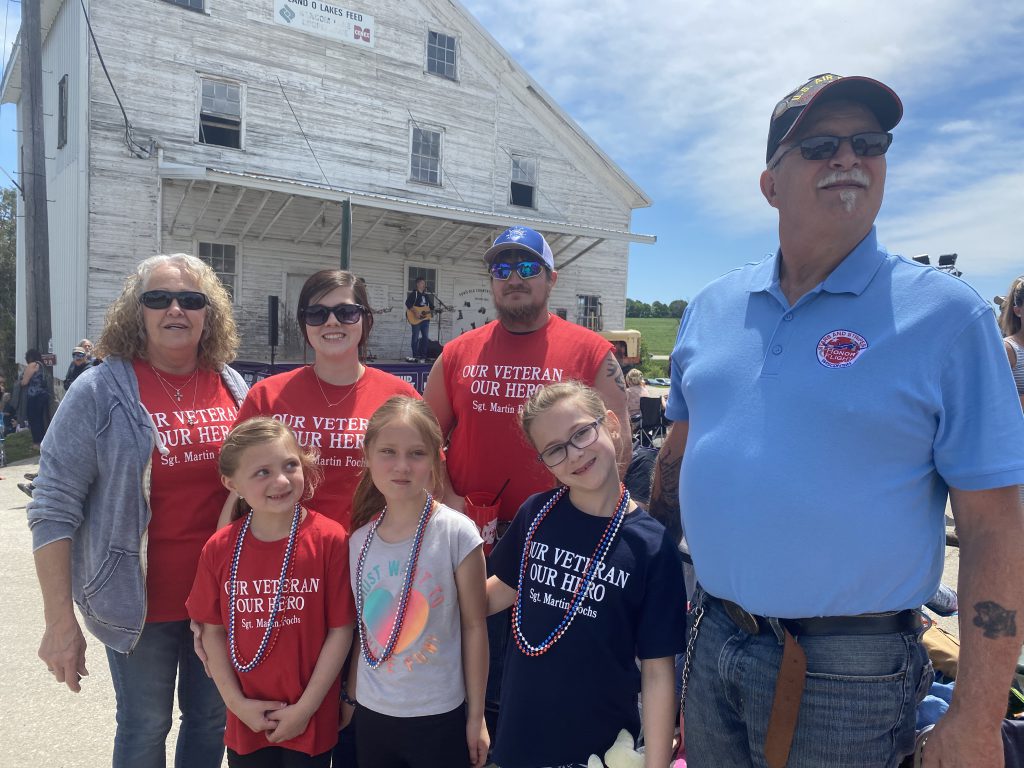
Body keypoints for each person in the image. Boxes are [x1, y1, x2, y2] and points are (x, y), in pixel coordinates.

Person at [651, 73, 1024, 767]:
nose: (848, 158)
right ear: (770, 185)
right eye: (821, 145)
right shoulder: (710, 308)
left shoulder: (947, 317)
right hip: (714, 632)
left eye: (868, 142)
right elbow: (676, 457)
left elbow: (996, 525)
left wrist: (978, 714)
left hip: (848, 672)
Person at [27, 253, 247, 768]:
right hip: (139, 604)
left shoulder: (233, 386)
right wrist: (59, 623)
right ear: (137, 310)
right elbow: (53, 506)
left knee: (211, 722)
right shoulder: (100, 389)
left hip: (219, 602)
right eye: (159, 298)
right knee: (146, 725)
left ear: (208, 313)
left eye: (191, 300)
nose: (176, 310)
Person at [422, 224, 631, 739]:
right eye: (502, 269)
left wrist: (585, 529)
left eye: (526, 267)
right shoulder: (457, 353)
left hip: (558, 549)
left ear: (551, 278)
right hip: (474, 542)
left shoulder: (590, 352)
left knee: (545, 683)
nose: (513, 278)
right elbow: (423, 442)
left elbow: (617, 446)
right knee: (472, 677)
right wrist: (446, 498)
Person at [485, 381, 685, 767]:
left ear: (610, 424)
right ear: (543, 461)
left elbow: (658, 673)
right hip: (518, 741)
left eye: (581, 433)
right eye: (556, 450)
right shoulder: (536, 514)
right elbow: (493, 595)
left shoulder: (652, 546)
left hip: (602, 749)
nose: (575, 454)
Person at [187, 417, 354, 767]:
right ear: (231, 483)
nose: (280, 480)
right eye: (261, 472)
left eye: (290, 465)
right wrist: (236, 704)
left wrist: (305, 709)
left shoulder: (330, 540)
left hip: (309, 720)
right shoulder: (219, 548)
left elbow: (341, 630)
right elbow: (212, 633)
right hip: (246, 721)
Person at [347, 396, 488, 768]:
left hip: (439, 714)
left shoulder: (457, 532)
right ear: (367, 455)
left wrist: (477, 716)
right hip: (374, 711)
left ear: (436, 458)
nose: (402, 466)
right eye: (388, 452)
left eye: (416, 454)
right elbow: (363, 634)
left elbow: (475, 626)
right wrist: (350, 697)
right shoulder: (359, 541)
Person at [235, 270, 420, 532]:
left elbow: (427, 480)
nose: (332, 322)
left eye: (346, 312)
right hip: (288, 555)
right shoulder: (266, 396)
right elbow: (238, 487)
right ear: (305, 323)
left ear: (365, 320)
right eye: (317, 314)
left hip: (373, 554)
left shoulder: (400, 397)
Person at [21, 348, 50, 448]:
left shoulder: (32, 365)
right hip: (43, 395)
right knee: (41, 419)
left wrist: (19, 383)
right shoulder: (41, 365)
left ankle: (36, 442)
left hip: (34, 396)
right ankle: (42, 441)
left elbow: (24, 381)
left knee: (33, 419)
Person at [405, 277, 434, 362]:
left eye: (424, 283)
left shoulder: (426, 296)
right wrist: (416, 312)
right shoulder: (415, 294)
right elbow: (408, 303)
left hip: (425, 320)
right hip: (415, 319)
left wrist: (437, 310)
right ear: (418, 284)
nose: (424, 285)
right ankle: (415, 356)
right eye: (422, 283)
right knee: (415, 337)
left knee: (425, 337)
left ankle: (423, 356)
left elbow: (431, 307)